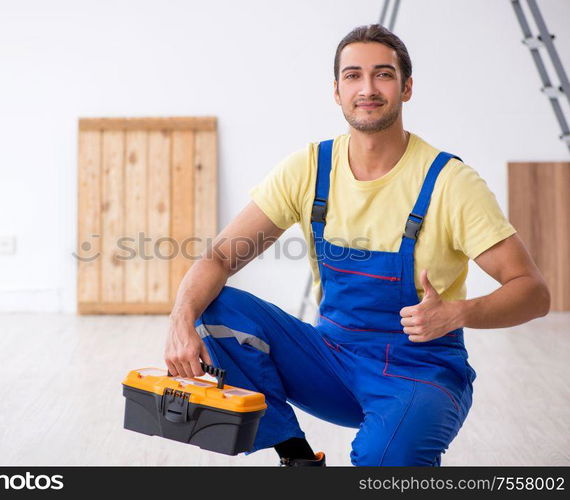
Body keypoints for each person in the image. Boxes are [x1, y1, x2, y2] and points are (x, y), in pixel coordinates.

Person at [164, 24, 550, 467]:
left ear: (406, 88)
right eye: (353, 76)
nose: (367, 88)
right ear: (336, 90)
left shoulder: (450, 183)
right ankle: (298, 459)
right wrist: (179, 321)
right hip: (332, 362)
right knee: (213, 307)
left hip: (421, 374)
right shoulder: (310, 168)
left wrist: (458, 313)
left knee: (382, 462)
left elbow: (534, 292)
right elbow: (218, 257)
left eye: (383, 75)